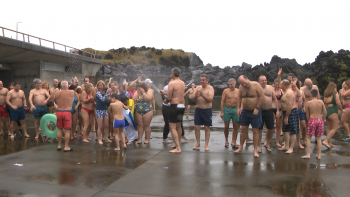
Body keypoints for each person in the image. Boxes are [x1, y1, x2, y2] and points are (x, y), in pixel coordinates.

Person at [233, 75, 263, 157]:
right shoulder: (241, 87)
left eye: (244, 83)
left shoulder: (256, 85)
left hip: (254, 111)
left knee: (255, 130)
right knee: (243, 129)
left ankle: (255, 150)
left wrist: (257, 108)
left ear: (247, 78)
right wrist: (238, 108)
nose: (244, 85)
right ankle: (241, 147)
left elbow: (261, 96)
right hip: (245, 111)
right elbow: (239, 97)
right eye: (242, 84)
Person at [190, 74, 215, 152]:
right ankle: (198, 143)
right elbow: (192, 99)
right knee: (197, 127)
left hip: (207, 110)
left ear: (207, 80)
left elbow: (210, 99)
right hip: (198, 109)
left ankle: (206, 144)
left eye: (203, 80)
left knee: (206, 127)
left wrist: (202, 94)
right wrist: (195, 95)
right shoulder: (198, 88)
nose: (202, 81)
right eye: (201, 80)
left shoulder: (210, 88)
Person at [165, 67, 186, 153]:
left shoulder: (172, 83)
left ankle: (178, 148)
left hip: (174, 106)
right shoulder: (182, 83)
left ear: (173, 74)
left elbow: (169, 97)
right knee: (179, 125)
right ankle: (178, 144)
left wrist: (165, 100)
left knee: (172, 127)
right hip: (182, 106)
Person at [302, 89, 326, 159]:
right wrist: (323, 119)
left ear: (311, 95)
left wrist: (309, 121)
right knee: (318, 138)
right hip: (319, 119)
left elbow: (307, 114)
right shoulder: (321, 102)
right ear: (318, 94)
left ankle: (308, 154)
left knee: (308, 138)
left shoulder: (308, 103)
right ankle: (319, 155)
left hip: (312, 119)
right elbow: (324, 112)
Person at [258, 75, 279, 152]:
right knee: (259, 129)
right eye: (262, 80)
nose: (264, 81)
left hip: (269, 110)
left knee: (271, 128)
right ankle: (259, 145)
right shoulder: (257, 88)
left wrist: (278, 110)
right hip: (260, 110)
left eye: (265, 80)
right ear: (259, 81)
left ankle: (267, 142)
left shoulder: (270, 88)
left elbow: (275, 99)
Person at [279, 79, 299, 154]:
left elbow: (289, 106)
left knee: (292, 130)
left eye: (281, 84)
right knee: (285, 129)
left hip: (291, 112)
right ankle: (286, 146)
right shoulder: (285, 92)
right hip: (285, 112)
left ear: (284, 85)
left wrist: (286, 117)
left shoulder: (289, 93)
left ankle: (291, 148)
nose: (280, 86)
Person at [220, 78, 240, 149]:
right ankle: (226, 140)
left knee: (236, 126)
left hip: (235, 108)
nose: (230, 86)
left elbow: (241, 101)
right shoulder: (225, 91)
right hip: (227, 108)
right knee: (226, 126)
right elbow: (222, 101)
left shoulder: (238, 91)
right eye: (229, 85)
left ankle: (233, 141)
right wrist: (222, 112)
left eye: (232, 84)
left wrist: (239, 109)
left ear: (235, 84)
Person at [54, 81, 75, 152]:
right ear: (68, 85)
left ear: (60, 86)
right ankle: (66, 146)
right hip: (67, 112)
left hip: (59, 111)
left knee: (59, 129)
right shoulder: (71, 92)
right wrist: (73, 82)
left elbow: (55, 102)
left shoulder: (57, 93)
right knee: (67, 130)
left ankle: (59, 145)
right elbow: (74, 88)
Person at [323, 82, 342, 148]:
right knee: (335, 128)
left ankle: (329, 142)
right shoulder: (335, 93)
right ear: (334, 87)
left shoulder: (326, 94)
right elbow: (338, 103)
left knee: (329, 128)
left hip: (326, 111)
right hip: (333, 111)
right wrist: (342, 110)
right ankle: (326, 141)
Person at [160, 78, 172, 143]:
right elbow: (171, 94)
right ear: (168, 82)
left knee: (175, 122)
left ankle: (181, 134)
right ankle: (165, 137)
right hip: (167, 107)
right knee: (167, 122)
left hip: (172, 106)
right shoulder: (167, 87)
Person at [273, 79, 283, 148]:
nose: (277, 86)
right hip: (273, 109)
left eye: (278, 85)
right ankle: (266, 141)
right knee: (270, 126)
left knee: (278, 126)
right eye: (275, 85)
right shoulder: (272, 91)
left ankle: (277, 141)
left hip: (280, 109)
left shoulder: (282, 91)